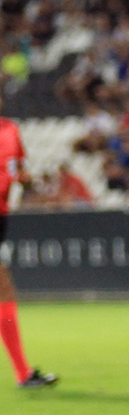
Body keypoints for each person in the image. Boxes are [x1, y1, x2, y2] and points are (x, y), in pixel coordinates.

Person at [0, 93, 57, 388]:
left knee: (4, 290)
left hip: (2, 214)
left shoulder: (10, 130)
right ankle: (22, 372)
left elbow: (17, 169)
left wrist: (26, 180)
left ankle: (23, 372)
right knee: (4, 290)